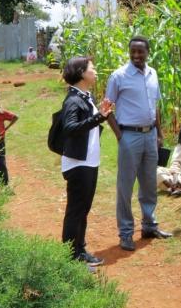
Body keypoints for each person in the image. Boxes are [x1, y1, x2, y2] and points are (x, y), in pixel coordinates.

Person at [105, 36, 172, 251]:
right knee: (125, 186)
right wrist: (119, 136)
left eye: (140, 52)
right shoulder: (119, 76)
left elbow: (156, 107)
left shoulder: (153, 74)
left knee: (149, 183)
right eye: (132, 51)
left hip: (150, 135)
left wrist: (159, 133)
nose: (136, 56)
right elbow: (106, 110)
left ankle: (149, 225)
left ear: (147, 52)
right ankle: (126, 233)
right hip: (129, 136)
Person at [59, 57, 113, 267]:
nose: (96, 71)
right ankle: (71, 257)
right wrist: (99, 117)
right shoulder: (73, 99)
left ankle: (79, 250)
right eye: (92, 68)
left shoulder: (84, 96)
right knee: (76, 210)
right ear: (81, 73)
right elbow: (70, 128)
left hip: (88, 161)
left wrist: (101, 113)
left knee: (83, 209)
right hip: (78, 163)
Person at [157, 125, 181, 195]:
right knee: (154, 170)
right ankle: (173, 187)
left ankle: (177, 187)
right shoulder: (179, 146)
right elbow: (175, 164)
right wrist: (175, 177)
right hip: (174, 176)